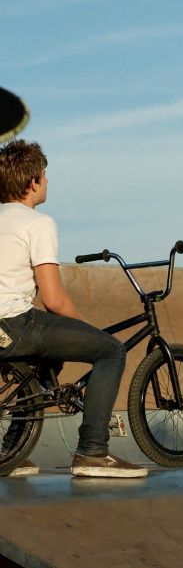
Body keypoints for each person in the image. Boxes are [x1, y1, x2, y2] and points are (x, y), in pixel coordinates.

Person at [0, 141, 146, 478]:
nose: (47, 182)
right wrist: (88, 330)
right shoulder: (37, 223)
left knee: (44, 358)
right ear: (32, 182)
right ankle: (93, 452)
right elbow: (53, 299)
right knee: (110, 350)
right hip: (13, 322)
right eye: (45, 176)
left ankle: (13, 450)